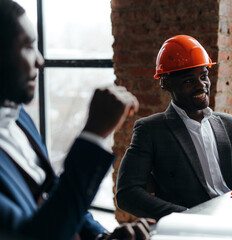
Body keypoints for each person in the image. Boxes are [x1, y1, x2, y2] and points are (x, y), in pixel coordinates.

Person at [0, 0, 152, 239]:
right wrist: (93, 135)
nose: (40, 60)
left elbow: (55, 195)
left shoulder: (20, 119)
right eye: (28, 46)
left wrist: (103, 237)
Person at [116, 35, 232, 220]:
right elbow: (127, 193)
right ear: (166, 83)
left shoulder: (229, 124)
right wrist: (186, 217)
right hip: (192, 229)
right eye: (189, 81)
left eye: (204, 76)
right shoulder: (150, 131)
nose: (202, 85)